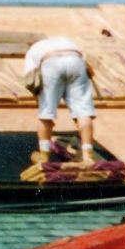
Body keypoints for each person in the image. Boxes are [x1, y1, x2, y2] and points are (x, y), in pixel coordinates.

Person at [23, 35, 95, 164]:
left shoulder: (32, 50)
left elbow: (32, 81)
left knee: (45, 113)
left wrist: (45, 112)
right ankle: (87, 155)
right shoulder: (66, 41)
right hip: (76, 61)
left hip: (51, 62)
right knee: (83, 112)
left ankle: (44, 156)